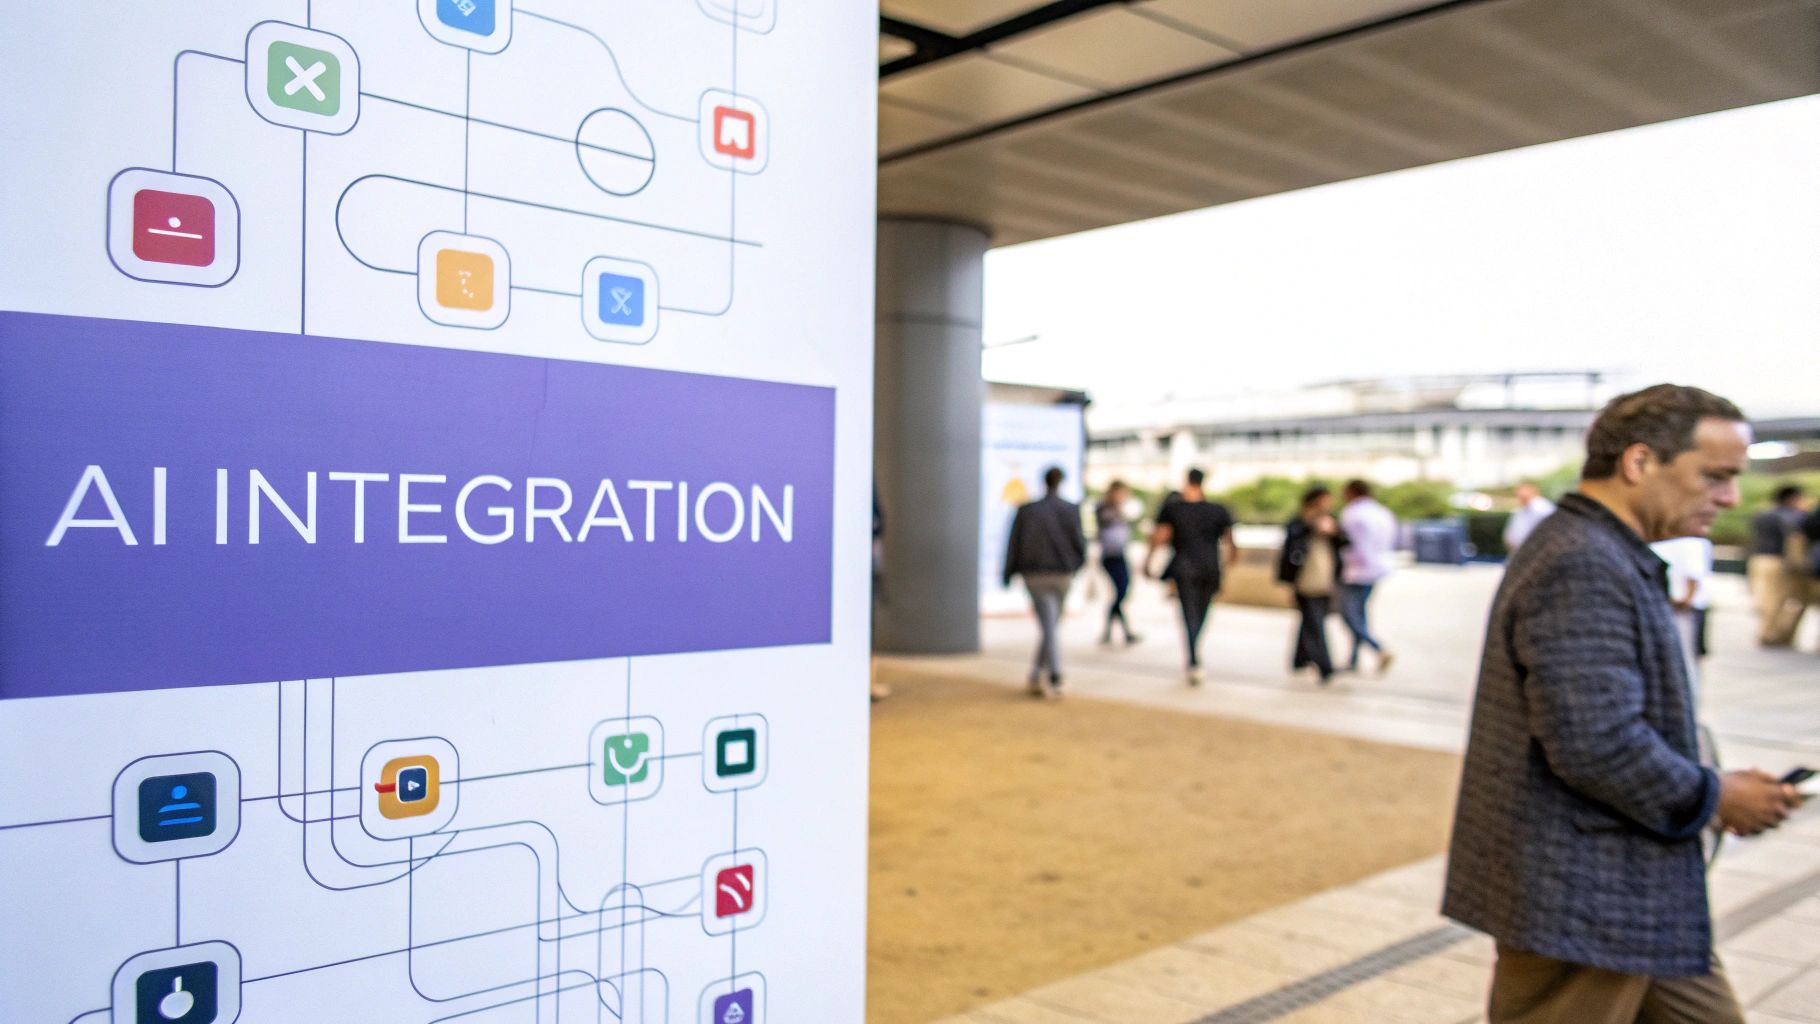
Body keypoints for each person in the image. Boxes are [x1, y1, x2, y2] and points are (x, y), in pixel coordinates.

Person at [1443, 384, 1802, 1024]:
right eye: (1715, 476)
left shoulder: (1597, 549)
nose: (1730, 498)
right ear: (1639, 462)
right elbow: (1597, 742)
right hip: (1584, 894)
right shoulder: (1583, 561)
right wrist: (1717, 797)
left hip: (1630, 891)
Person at [1144, 468, 1236, 686]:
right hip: (1210, 567)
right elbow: (1231, 545)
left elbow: (1160, 536)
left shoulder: (1174, 508)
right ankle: (1194, 656)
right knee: (1201, 613)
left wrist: (1148, 561)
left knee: (1190, 614)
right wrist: (1225, 566)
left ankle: (1193, 657)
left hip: (1185, 567)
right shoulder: (1218, 510)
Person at [1002, 466, 1086, 699]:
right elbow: (1080, 542)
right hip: (1061, 573)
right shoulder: (1070, 509)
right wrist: (1076, 565)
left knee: (1049, 625)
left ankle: (1036, 673)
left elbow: (1013, 543)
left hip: (1035, 574)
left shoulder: (1027, 510)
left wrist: (1008, 573)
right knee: (1051, 624)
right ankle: (1055, 674)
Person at [1278, 485, 1344, 684]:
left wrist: (1333, 532)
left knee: (1310, 619)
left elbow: (1345, 542)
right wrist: (1311, 525)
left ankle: (1300, 659)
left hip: (1326, 578)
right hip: (1307, 578)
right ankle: (1325, 666)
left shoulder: (1330, 520)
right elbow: (1291, 546)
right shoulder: (1300, 522)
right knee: (1315, 622)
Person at [1336, 479, 1397, 674]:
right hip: (1376, 568)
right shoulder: (1382, 512)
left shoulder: (1353, 514)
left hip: (1356, 571)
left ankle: (1378, 649)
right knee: (1359, 614)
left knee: (1350, 616)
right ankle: (1353, 659)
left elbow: (1356, 545)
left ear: (1351, 492)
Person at [1747, 484, 1809, 646]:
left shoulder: (1761, 513)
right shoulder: (1790, 516)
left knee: (1764, 598)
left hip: (1757, 559)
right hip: (1777, 561)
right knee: (1777, 599)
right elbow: (1795, 537)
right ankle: (1772, 634)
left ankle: (1767, 632)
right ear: (1791, 498)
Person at [1651, 534, 1714, 684]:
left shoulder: (1690, 541)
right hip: (1679, 607)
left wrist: (1685, 599)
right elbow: (1692, 576)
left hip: (1682, 607)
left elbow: (1693, 577)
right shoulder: (1689, 542)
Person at [1094, 481, 1141, 646]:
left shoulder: (1120, 509)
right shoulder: (1105, 508)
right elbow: (1105, 521)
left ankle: (1112, 632)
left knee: (1121, 593)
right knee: (1119, 593)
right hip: (1110, 555)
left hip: (1120, 553)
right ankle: (1119, 632)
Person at [1502, 480, 1556, 554]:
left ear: (1533, 490)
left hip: (1535, 552)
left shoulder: (1541, 508)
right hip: (1522, 552)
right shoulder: (1522, 508)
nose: (1520, 493)